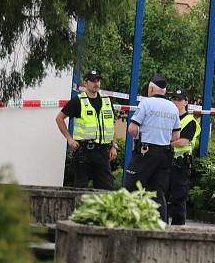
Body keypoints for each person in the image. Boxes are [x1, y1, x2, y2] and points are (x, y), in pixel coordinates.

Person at [123, 74, 180, 221]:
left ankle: (126, 222)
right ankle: (160, 228)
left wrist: (137, 138)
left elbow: (132, 129)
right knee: (157, 193)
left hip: (145, 153)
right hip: (164, 154)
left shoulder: (146, 103)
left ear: (151, 88)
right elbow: (176, 137)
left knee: (131, 187)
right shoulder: (173, 108)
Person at [55, 69, 117, 190]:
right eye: (93, 81)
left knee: (106, 190)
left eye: (98, 80)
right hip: (84, 152)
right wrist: (69, 139)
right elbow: (59, 119)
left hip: (102, 152)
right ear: (86, 83)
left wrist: (114, 146)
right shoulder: (78, 101)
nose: (96, 83)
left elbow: (111, 125)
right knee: (80, 190)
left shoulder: (107, 101)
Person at [167, 89, 201, 225]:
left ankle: (177, 230)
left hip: (181, 165)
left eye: (179, 99)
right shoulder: (169, 118)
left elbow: (183, 141)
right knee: (161, 196)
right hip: (166, 161)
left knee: (178, 199)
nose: (176, 102)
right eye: (174, 99)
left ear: (186, 102)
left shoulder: (189, 121)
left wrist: (166, 144)